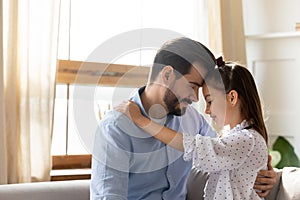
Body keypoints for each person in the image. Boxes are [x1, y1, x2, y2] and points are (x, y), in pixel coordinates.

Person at [90, 37, 276, 200]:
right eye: (193, 86)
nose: (196, 98)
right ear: (168, 74)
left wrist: (262, 171)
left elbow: (221, 153)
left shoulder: (192, 120)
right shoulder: (115, 128)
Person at [117, 61, 269, 199]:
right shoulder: (234, 138)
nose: (207, 110)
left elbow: (197, 148)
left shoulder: (247, 139)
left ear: (232, 98)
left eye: (210, 101)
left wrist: (142, 121)